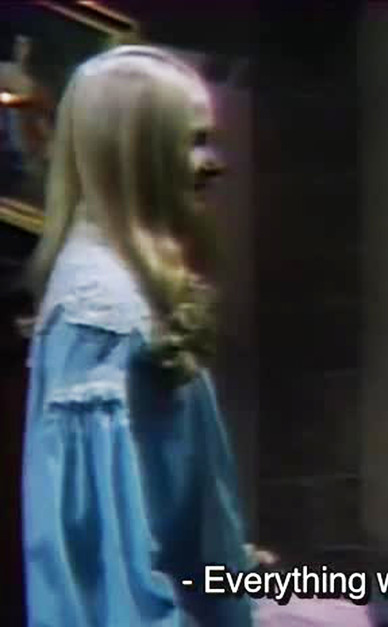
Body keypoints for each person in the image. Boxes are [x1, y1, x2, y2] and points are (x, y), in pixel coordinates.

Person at [22, 46, 254, 626]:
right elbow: (105, 569)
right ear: (135, 156)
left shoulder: (126, 291)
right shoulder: (99, 317)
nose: (214, 164)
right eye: (192, 142)